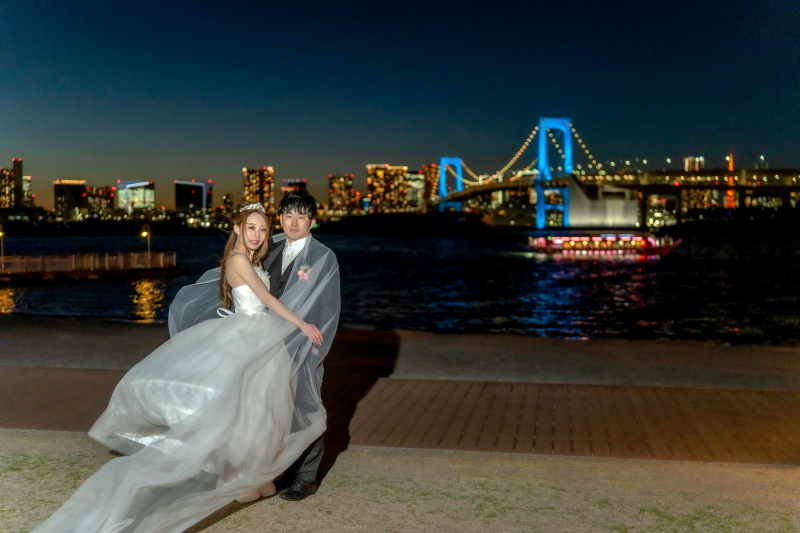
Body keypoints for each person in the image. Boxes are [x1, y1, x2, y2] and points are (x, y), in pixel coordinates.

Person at [33, 201, 341, 533]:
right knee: (241, 405)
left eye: (263, 228)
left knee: (261, 407)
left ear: (311, 220)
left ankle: (265, 473)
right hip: (252, 336)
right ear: (238, 228)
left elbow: (306, 296)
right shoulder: (244, 257)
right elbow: (266, 299)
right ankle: (234, 475)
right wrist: (301, 324)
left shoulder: (288, 254)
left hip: (266, 338)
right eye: (253, 227)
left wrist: (306, 328)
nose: (260, 233)